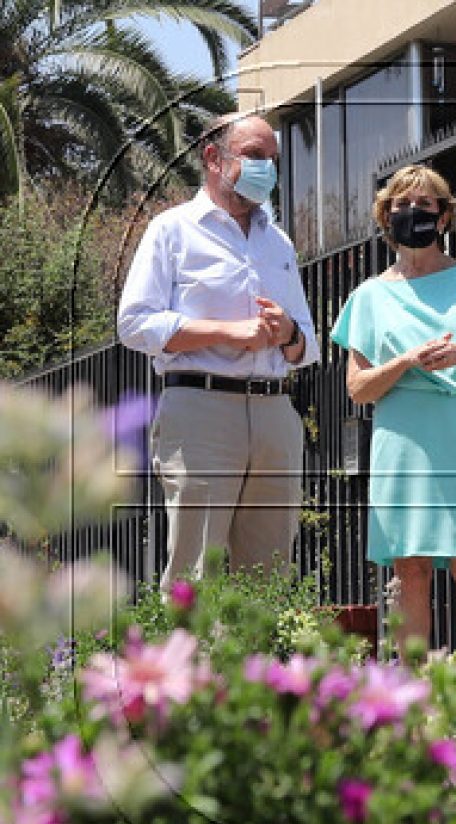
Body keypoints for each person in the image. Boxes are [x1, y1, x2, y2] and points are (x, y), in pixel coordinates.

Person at [118, 113, 318, 591]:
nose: (267, 168)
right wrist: (228, 332)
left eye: (273, 159)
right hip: (200, 411)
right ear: (213, 157)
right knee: (194, 575)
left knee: (269, 579)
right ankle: (185, 666)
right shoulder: (171, 230)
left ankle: (261, 666)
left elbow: (307, 343)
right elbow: (134, 324)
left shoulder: (280, 242)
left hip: (274, 412)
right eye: (254, 156)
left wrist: (289, 332)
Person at [330, 165, 456, 658]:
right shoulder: (366, 296)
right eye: (402, 206)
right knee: (408, 566)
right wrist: (406, 362)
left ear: (445, 216)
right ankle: (415, 700)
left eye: (425, 206)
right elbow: (358, 388)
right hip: (401, 437)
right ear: (386, 217)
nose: (413, 215)